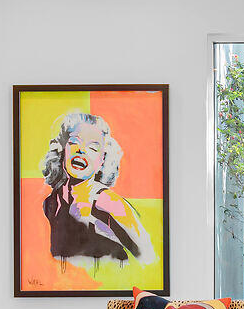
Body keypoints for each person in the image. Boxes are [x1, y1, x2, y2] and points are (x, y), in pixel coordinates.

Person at [40, 111, 157, 268]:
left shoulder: (107, 202)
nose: (81, 150)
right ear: (62, 149)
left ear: (103, 161)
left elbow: (149, 259)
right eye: (74, 142)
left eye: (93, 148)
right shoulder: (51, 203)